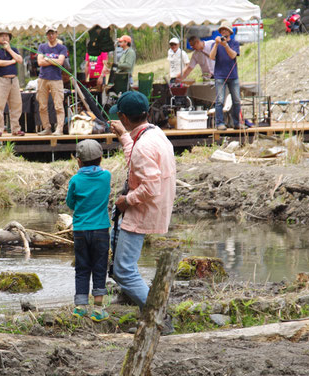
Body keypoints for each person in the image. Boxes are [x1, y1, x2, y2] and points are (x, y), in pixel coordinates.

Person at [109, 91, 176, 323]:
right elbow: (137, 162)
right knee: (116, 245)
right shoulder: (154, 133)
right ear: (146, 113)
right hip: (151, 207)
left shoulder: (143, 147)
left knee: (123, 270)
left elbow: (150, 187)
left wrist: (126, 200)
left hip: (143, 210)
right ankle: (131, 298)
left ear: (124, 117)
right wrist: (123, 137)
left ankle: (160, 318)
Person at [66, 139, 111, 322]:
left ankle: (80, 306)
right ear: (101, 158)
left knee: (82, 267)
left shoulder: (75, 179)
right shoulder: (106, 176)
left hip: (80, 230)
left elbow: (70, 202)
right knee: (100, 267)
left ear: (78, 161)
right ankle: (98, 309)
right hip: (101, 229)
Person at [0, 30, 24, 137]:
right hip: (1, 80)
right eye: (2, 36)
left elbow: (20, 59)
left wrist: (9, 50)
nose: (4, 38)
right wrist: (12, 61)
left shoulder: (13, 49)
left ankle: (16, 129)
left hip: (13, 80)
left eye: (6, 36)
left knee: (16, 105)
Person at [210, 21, 241, 130]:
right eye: (222, 30)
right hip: (220, 76)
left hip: (233, 76)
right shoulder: (215, 44)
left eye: (225, 30)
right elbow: (211, 57)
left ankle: (236, 123)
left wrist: (226, 45)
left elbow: (233, 55)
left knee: (236, 100)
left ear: (229, 32)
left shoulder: (234, 43)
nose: (223, 32)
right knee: (220, 100)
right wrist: (217, 44)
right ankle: (219, 123)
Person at [37, 26, 67, 136]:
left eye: (53, 33)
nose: (51, 35)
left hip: (56, 79)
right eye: (48, 34)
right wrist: (54, 61)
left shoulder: (62, 48)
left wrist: (48, 59)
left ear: (56, 34)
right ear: (46, 35)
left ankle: (59, 128)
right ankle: (47, 127)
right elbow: (40, 62)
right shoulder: (42, 47)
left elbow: (61, 62)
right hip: (43, 78)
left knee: (58, 105)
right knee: (42, 106)